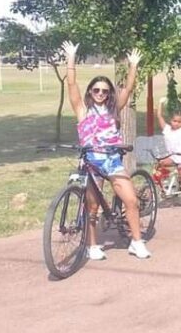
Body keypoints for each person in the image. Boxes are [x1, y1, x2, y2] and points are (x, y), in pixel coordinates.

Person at [61, 41, 151, 261]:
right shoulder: (82, 110)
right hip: (91, 162)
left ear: (109, 93)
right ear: (90, 92)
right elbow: (71, 85)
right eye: (96, 90)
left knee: (131, 200)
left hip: (112, 161)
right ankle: (92, 245)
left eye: (105, 90)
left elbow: (128, 89)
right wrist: (71, 58)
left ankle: (137, 242)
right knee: (91, 208)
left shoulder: (113, 110)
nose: (100, 93)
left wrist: (133, 66)